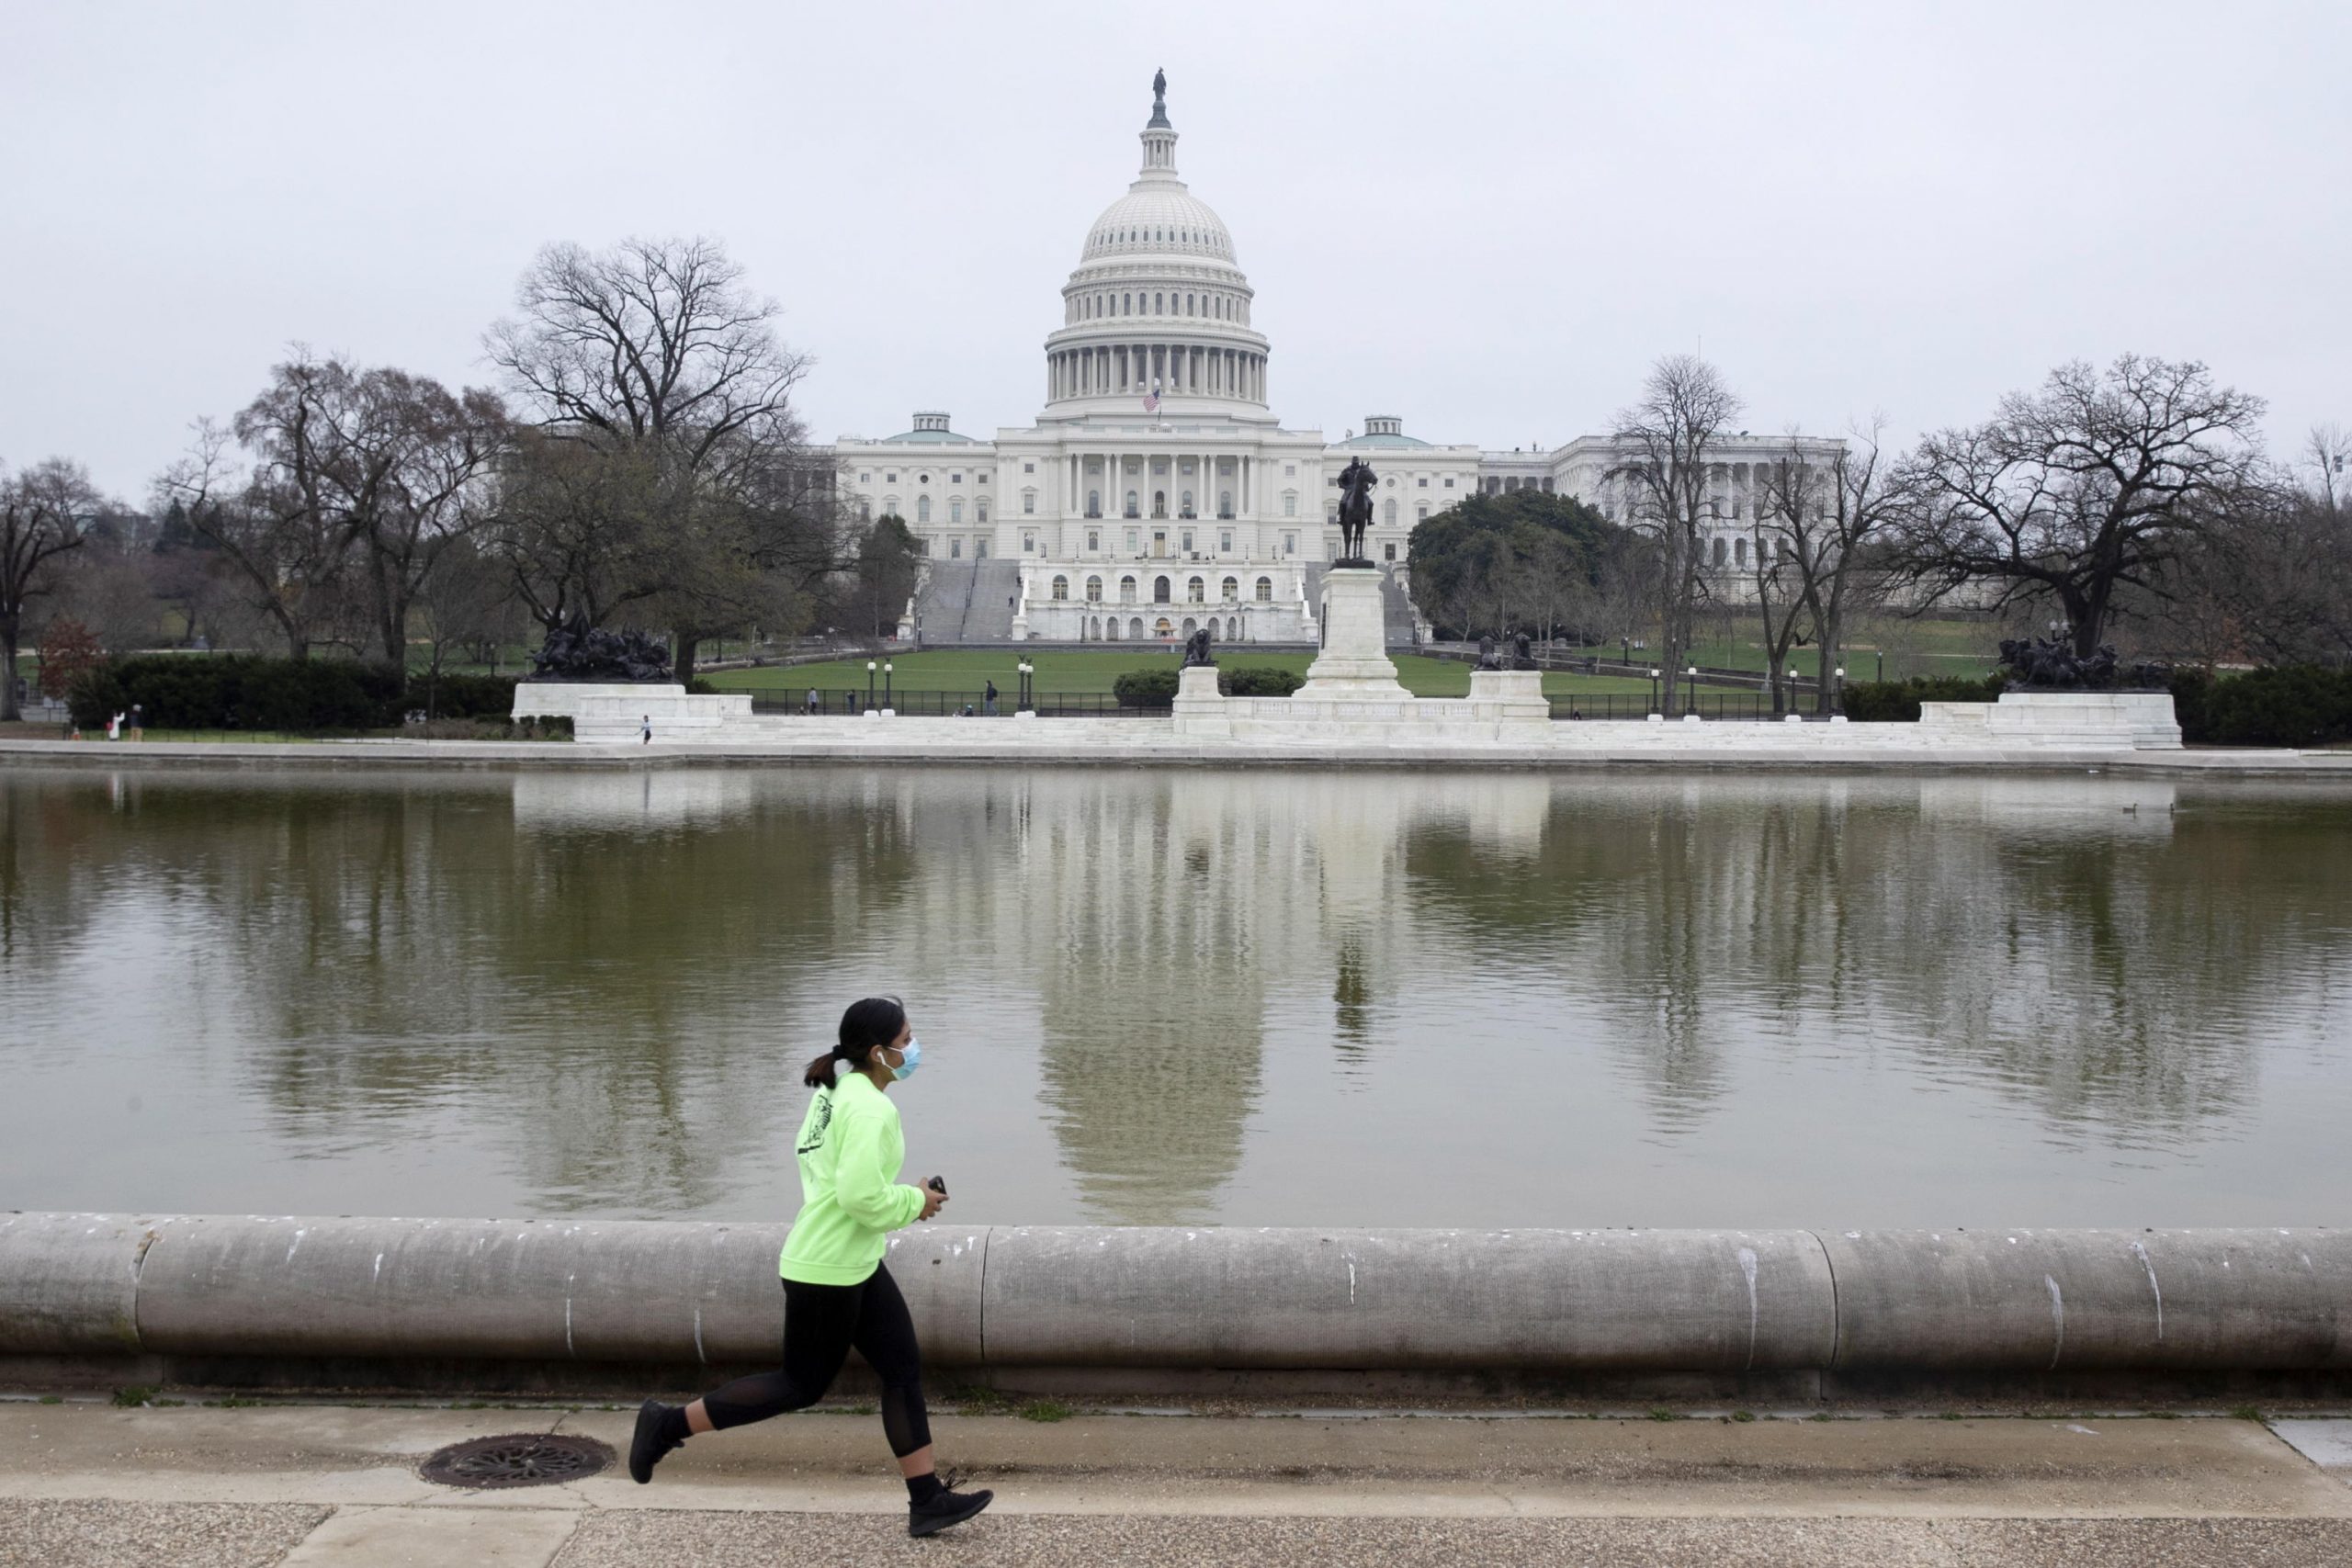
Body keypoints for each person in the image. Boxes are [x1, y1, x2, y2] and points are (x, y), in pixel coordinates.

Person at [629, 998, 992, 1540]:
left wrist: (902, 1200)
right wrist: (916, 1201)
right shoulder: (871, 1108)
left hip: (851, 1260)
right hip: (828, 1269)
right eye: (907, 1039)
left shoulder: (838, 1091)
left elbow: (827, 1173)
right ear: (879, 1052)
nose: (914, 1048)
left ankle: (927, 1500)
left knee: (900, 1369)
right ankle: (666, 1423)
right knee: (799, 1385)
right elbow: (860, 1197)